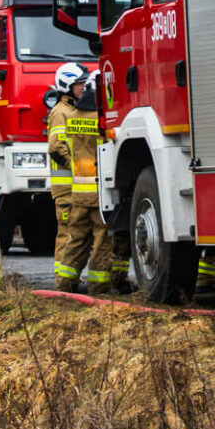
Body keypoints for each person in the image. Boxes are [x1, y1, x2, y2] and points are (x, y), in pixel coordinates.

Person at [46, 63, 124, 293]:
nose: (81, 87)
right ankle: (98, 287)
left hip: (78, 190)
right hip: (87, 190)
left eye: (83, 83)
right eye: (77, 83)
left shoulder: (75, 114)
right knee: (98, 238)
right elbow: (57, 148)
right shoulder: (66, 113)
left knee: (76, 238)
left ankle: (66, 283)